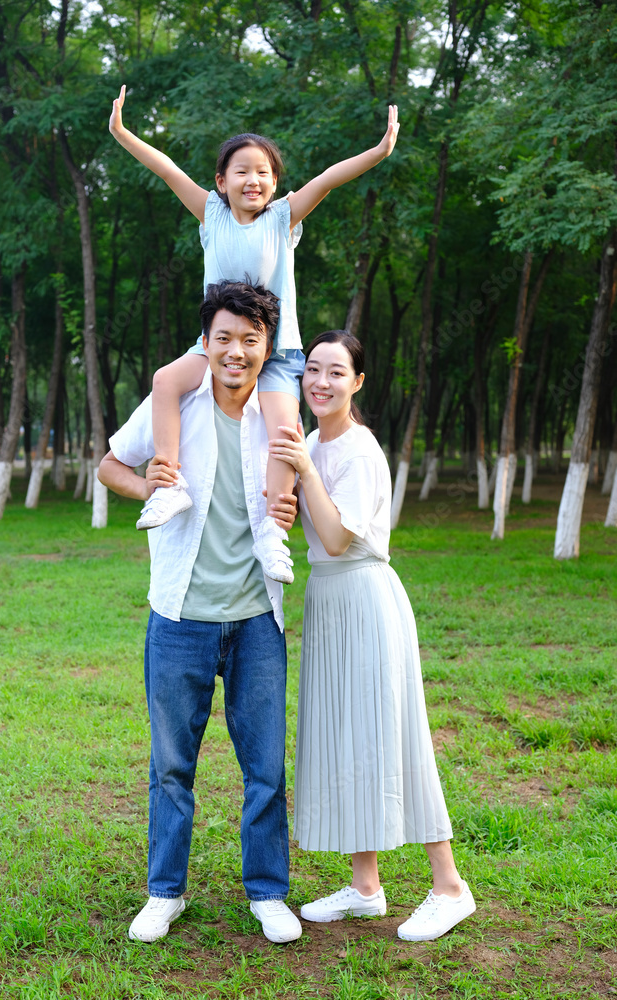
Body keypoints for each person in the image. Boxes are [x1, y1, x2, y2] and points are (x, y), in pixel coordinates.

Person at [108, 87, 399, 584]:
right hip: (218, 347)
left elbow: (328, 179)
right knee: (164, 380)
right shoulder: (211, 215)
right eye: (241, 171)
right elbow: (166, 169)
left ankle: (270, 532)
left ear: (275, 183)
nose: (253, 180)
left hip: (278, 351)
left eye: (263, 172)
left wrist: (379, 151)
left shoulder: (283, 218)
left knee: (285, 435)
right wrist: (120, 131)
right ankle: (170, 486)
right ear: (221, 182)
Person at [98, 281, 302, 946]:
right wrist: (146, 486)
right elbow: (108, 464)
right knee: (170, 765)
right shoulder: (176, 406)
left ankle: (269, 892)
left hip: (255, 624)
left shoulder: (276, 416)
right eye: (224, 339)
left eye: (250, 340)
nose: (236, 351)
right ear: (204, 344)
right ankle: (166, 893)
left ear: (266, 348)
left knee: (265, 765)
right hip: (179, 618)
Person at [267, 330, 476, 942]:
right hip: (328, 601)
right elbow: (291, 516)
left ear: (357, 383)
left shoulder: (358, 451)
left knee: (395, 737)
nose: (320, 382)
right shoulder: (308, 441)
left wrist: (304, 472)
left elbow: (336, 540)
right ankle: (365, 888)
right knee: (347, 738)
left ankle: (449, 886)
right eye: (311, 370)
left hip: (365, 595)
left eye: (336, 372)